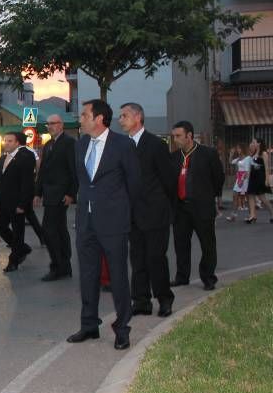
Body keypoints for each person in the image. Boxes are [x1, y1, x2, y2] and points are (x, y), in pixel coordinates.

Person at [67, 99, 140, 350]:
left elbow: (134, 184)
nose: (81, 119)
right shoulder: (81, 144)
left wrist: (126, 217)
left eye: (84, 115)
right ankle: (89, 326)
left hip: (113, 223)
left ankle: (122, 329)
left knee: (118, 277)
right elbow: (82, 182)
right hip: (85, 222)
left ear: (99, 119)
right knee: (87, 275)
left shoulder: (123, 145)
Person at [118, 103, 177, 317]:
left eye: (124, 115)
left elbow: (169, 179)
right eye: (120, 116)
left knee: (156, 258)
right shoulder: (122, 145)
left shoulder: (155, 145)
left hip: (154, 213)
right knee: (137, 259)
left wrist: (163, 205)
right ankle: (141, 301)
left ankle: (164, 299)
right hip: (132, 214)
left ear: (138, 117)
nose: (120, 120)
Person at [170, 120, 224, 291]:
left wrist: (209, 197)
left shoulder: (208, 154)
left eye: (178, 136)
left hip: (202, 207)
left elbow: (218, 178)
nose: (175, 139)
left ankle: (208, 277)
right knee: (181, 244)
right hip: (180, 208)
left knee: (207, 244)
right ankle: (182, 276)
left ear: (189, 136)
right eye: (174, 136)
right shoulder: (174, 157)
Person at [34, 114, 77, 281]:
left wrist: (71, 194)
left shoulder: (69, 143)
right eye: (48, 124)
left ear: (61, 125)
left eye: (53, 123)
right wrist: (37, 193)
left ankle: (58, 266)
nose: (49, 126)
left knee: (49, 229)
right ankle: (64, 266)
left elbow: (73, 170)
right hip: (49, 193)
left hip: (61, 194)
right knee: (58, 229)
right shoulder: (48, 144)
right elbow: (42, 171)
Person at [0, 132, 35, 271]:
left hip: (17, 203)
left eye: (10, 141)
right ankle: (21, 248)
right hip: (3, 202)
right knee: (0, 226)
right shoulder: (2, 158)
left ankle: (14, 261)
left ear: (17, 143)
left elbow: (27, 183)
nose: (6, 143)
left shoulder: (25, 157)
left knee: (18, 232)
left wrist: (23, 204)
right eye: (5, 141)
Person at [244, 137, 273, 223]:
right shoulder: (253, 154)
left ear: (259, 143)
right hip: (252, 177)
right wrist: (247, 175)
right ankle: (252, 216)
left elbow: (267, 168)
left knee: (262, 198)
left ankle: (272, 213)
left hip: (260, 177)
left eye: (254, 142)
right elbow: (250, 166)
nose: (252, 143)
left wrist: (267, 180)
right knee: (250, 195)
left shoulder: (264, 153)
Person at [227, 144, 250, 222]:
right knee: (235, 195)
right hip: (239, 178)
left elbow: (247, 172)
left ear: (243, 149)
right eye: (237, 149)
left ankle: (251, 214)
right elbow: (230, 162)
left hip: (244, 179)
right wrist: (231, 154)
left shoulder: (247, 158)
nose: (238, 150)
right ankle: (233, 215)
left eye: (239, 148)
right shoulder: (238, 159)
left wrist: (242, 180)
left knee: (248, 197)